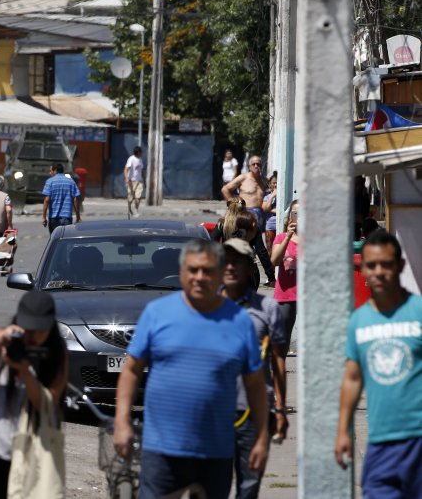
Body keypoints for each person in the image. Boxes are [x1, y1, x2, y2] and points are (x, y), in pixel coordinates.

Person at [114, 239, 269, 499]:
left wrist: (262, 437)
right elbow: (131, 370)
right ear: (182, 271)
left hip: (216, 452)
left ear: (220, 274)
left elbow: (255, 384)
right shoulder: (157, 313)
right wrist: (122, 421)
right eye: (193, 270)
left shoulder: (240, 321)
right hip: (161, 450)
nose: (199, 277)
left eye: (207, 271)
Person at [336, 230, 422, 497]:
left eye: (386, 264)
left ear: (401, 266)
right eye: (371, 265)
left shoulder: (418, 311)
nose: (379, 271)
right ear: (362, 270)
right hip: (380, 443)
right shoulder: (359, 321)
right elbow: (352, 378)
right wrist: (343, 431)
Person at [0, 290, 69, 499]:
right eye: (28, 330)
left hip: (31, 453)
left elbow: (47, 403)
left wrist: (25, 372)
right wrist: (1, 339)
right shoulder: (3, 342)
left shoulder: (56, 353)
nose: (34, 336)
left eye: (40, 331)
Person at [222, 239, 289, 499]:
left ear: (250, 267)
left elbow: (278, 359)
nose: (230, 267)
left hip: (254, 412)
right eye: (225, 261)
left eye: (237, 262)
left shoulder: (268, 308)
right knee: (210, 484)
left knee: (249, 486)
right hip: (214, 411)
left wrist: (280, 408)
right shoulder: (204, 306)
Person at [270, 199, 299, 350]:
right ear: (290, 217)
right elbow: (274, 261)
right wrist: (288, 236)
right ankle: (279, 371)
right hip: (286, 295)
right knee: (282, 341)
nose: (299, 217)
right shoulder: (281, 238)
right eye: (296, 213)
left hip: (308, 296)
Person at [222, 156, 268, 231]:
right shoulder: (243, 178)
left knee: (257, 238)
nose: (256, 166)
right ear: (249, 167)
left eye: (258, 164)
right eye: (253, 164)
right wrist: (234, 205)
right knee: (244, 236)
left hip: (259, 214)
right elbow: (225, 189)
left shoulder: (265, 180)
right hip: (245, 213)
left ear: (261, 166)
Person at [42, 163, 81, 234]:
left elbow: (47, 200)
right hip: (67, 218)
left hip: (53, 218)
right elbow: (75, 199)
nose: (50, 173)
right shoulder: (71, 182)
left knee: (55, 240)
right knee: (66, 241)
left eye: (51, 171)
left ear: (55, 171)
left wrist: (44, 217)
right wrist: (78, 216)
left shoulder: (49, 182)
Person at [124, 146, 144, 218]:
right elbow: (126, 169)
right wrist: (126, 178)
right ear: (138, 152)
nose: (142, 153)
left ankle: (136, 210)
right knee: (130, 198)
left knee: (138, 197)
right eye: (141, 152)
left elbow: (141, 170)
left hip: (139, 181)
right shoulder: (131, 159)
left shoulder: (140, 159)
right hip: (131, 181)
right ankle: (129, 209)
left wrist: (144, 179)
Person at [261, 175, 277, 251]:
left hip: (281, 226)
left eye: (277, 183)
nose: (276, 185)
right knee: (270, 250)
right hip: (270, 227)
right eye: (274, 183)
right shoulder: (267, 197)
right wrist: (273, 195)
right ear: (269, 184)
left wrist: (270, 209)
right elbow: (265, 208)